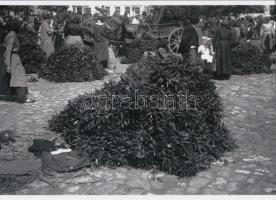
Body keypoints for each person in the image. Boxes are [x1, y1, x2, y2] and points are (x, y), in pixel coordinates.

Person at [0, 19, 31, 103]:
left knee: (12, 77)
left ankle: (13, 95)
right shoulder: (12, 35)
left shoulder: (9, 34)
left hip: (12, 57)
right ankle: (22, 98)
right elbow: (9, 50)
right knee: (19, 77)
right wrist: (8, 65)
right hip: (13, 58)